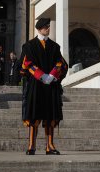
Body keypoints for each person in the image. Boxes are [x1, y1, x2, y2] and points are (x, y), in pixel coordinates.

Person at [20, 17, 67, 155]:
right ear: (39, 28)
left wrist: (52, 75)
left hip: (51, 85)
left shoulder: (55, 46)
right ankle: (31, 145)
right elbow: (26, 64)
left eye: (48, 26)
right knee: (34, 115)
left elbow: (61, 63)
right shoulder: (29, 46)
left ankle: (50, 146)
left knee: (50, 115)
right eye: (46, 27)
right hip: (36, 85)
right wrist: (41, 75)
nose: (48, 29)